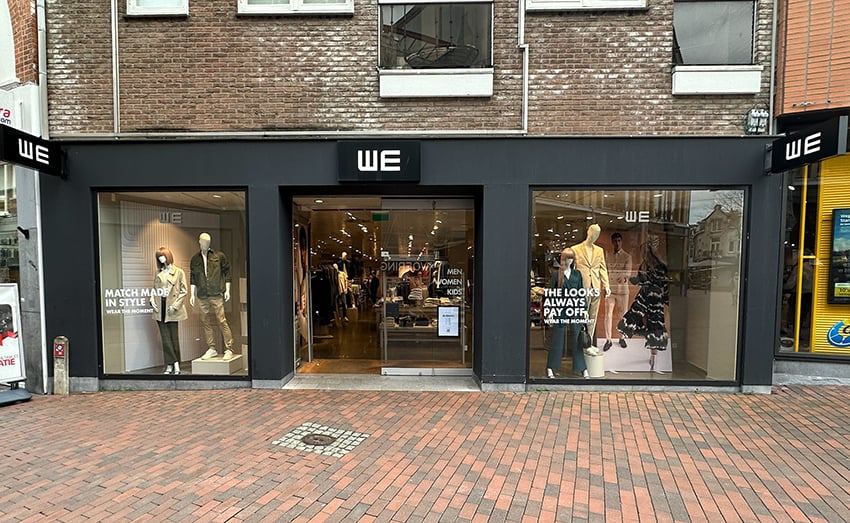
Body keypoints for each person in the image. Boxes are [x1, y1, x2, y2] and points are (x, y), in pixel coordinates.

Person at [617, 234, 669, 372]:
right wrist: (629, 279)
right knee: (648, 325)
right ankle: (653, 356)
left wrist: (665, 299)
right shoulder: (646, 266)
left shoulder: (660, 266)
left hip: (652, 298)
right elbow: (640, 280)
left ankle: (654, 357)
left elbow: (664, 284)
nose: (643, 255)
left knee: (653, 326)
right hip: (647, 297)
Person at [190, 232, 235, 360]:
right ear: (200, 242)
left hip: (216, 294)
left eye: (208, 242)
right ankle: (211, 348)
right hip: (202, 295)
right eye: (204, 241)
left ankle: (229, 348)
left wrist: (227, 290)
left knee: (222, 320)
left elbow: (227, 273)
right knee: (205, 321)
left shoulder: (219, 256)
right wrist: (192, 294)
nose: (206, 244)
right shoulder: (195, 259)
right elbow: (193, 278)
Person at [546, 248, 589, 379]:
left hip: (574, 308)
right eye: (567, 258)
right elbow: (551, 294)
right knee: (557, 338)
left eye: (571, 258)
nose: (570, 260)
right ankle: (550, 367)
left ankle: (582, 368)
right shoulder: (557, 275)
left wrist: (584, 309)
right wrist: (551, 310)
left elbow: (581, 292)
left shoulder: (577, 274)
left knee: (576, 338)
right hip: (561, 308)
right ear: (563, 259)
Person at [150, 247, 188, 374]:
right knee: (165, 338)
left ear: (168, 256)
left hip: (172, 308)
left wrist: (175, 306)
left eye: (163, 256)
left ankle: (173, 364)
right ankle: (172, 364)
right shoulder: (158, 272)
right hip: (160, 308)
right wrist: (152, 300)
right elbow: (154, 289)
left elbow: (184, 291)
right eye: (159, 257)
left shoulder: (179, 272)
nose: (161, 259)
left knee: (173, 337)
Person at [571, 223, 611, 342]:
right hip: (582, 287)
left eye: (597, 235)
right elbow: (572, 270)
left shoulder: (599, 250)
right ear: (588, 232)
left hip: (595, 286)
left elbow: (602, 268)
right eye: (594, 233)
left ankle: (588, 342)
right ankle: (579, 342)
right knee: (581, 315)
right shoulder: (575, 249)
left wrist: (606, 285)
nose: (595, 236)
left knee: (593, 316)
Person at [603, 232, 632, 351]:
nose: (617, 243)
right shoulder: (608, 255)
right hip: (610, 289)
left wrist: (624, 277)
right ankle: (608, 339)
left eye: (619, 240)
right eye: (615, 241)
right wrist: (604, 287)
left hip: (622, 290)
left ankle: (622, 338)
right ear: (612, 242)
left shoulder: (627, 256)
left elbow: (628, 272)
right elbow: (605, 271)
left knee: (623, 315)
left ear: (622, 241)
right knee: (608, 315)